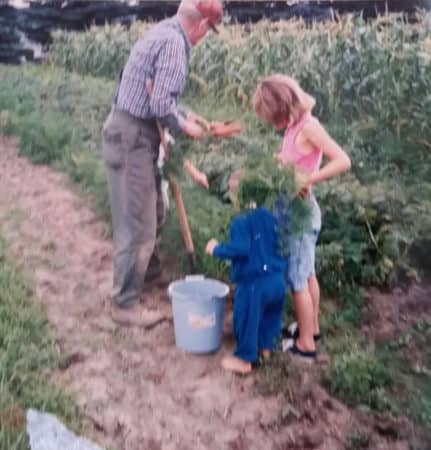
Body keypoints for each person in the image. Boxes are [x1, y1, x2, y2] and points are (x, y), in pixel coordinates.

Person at [101, 0, 222, 321]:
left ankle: (148, 274)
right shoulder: (174, 45)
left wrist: (184, 115)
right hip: (133, 138)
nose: (206, 36)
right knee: (138, 224)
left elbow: (156, 96)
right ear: (201, 25)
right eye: (209, 31)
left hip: (133, 130)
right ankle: (124, 303)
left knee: (155, 210)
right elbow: (160, 106)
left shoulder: (163, 32)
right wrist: (186, 127)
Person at [252, 74, 351, 360]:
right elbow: (298, 158)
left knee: (297, 279)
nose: (276, 125)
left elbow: (343, 160)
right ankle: (312, 327)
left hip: (300, 215)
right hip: (290, 210)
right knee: (306, 274)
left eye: (277, 119)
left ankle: (306, 345)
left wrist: (308, 179)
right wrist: (282, 162)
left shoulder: (309, 127)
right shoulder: (294, 126)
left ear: (288, 106)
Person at [205, 170, 287, 374]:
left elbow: (241, 249)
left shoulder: (240, 221)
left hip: (255, 283)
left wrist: (216, 248)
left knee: (247, 318)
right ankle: (265, 349)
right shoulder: (271, 216)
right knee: (270, 316)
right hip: (278, 280)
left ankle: (244, 359)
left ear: (236, 196)